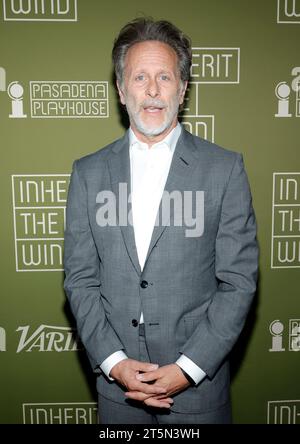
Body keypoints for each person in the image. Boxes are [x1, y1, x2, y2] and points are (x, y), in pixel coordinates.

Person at [63, 18, 259, 424]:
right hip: (118, 399)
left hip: (198, 398)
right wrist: (116, 364)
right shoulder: (88, 173)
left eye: (165, 77)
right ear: (121, 89)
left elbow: (238, 282)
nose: (152, 90)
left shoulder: (224, 169)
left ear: (183, 89)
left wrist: (187, 369)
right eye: (139, 77)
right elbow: (80, 281)